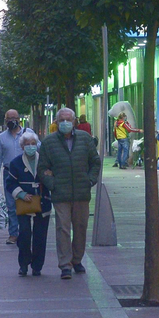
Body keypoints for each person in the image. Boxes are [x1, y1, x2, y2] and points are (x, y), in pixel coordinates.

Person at [39, 107, 102, 279]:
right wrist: (53, 184)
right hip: (61, 194)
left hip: (81, 192)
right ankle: (65, 264)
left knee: (81, 228)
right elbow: (42, 168)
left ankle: (77, 260)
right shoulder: (49, 142)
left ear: (74, 121)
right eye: (62, 120)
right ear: (57, 122)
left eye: (68, 119)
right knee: (63, 229)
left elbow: (95, 162)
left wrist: (90, 180)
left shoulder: (85, 138)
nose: (65, 123)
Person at [5, 130, 52, 277]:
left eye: (33, 143)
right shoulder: (16, 163)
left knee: (40, 236)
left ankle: (37, 266)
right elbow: (10, 183)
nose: (30, 146)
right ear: (22, 146)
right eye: (27, 144)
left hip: (43, 201)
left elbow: (52, 178)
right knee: (24, 234)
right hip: (24, 203)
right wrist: (21, 194)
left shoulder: (45, 161)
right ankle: (23, 264)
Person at [0, 110, 26, 246]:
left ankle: (25, 232)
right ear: (5, 120)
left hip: (25, 173)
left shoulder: (27, 134)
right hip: (9, 174)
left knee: (26, 203)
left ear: (19, 119)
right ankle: (13, 234)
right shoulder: (1, 137)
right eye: (9, 118)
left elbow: (38, 148)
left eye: (14, 118)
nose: (12, 120)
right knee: (11, 205)